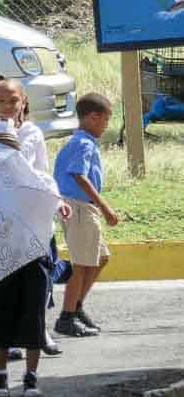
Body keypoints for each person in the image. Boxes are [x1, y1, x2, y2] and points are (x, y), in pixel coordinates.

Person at [0, 129, 70, 397]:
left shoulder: (40, 180)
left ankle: (31, 378)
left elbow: (54, 203)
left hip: (34, 258)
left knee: (33, 319)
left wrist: (59, 206)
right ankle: (1, 378)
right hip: (2, 259)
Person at [0, 75, 63, 358]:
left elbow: (41, 172)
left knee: (39, 275)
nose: (8, 106)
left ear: (24, 101)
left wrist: (55, 199)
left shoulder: (33, 133)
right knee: (8, 277)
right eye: (1, 101)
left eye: (14, 100)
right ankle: (9, 337)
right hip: (1, 214)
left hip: (31, 212)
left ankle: (39, 331)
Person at [52, 92, 116, 338]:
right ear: (92, 117)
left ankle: (76, 307)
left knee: (100, 257)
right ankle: (66, 317)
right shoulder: (84, 143)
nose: (106, 126)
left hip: (82, 207)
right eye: (105, 120)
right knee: (81, 265)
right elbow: (79, 175)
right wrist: (104, 206)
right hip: (78, 206)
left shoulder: (82, 141)